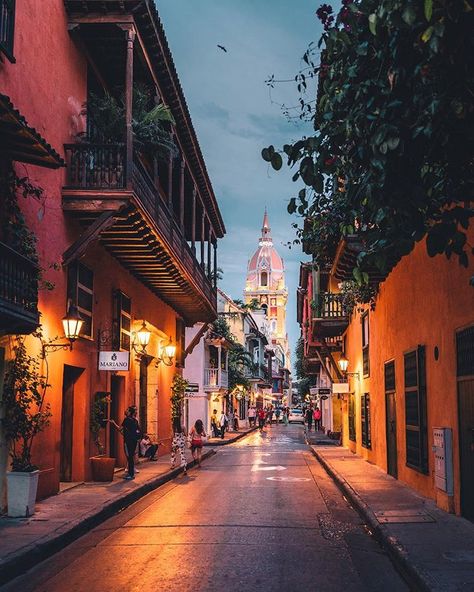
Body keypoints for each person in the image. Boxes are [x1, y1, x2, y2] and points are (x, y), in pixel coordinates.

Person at [109, 406, 141, 480]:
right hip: (134, 441)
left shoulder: (126, 420)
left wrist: (113, 423)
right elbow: (137, 430)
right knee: (131, 457)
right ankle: (131, 473)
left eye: (127, 410)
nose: (126, 411)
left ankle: (130, 474)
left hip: (128, 441)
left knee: (129, 457)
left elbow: (120, 429)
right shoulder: (135, 421)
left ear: (130, 412)